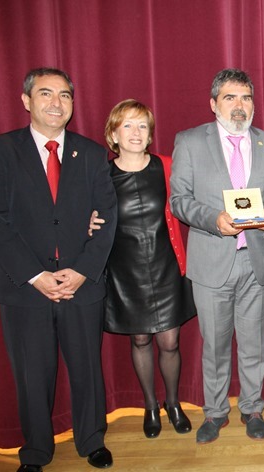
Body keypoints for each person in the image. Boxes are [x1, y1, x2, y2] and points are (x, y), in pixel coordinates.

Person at [0, 68, 117, 472]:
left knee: (86, 367)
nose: (56, 103)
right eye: (45, 94)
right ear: (26, 100)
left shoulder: (91, 153)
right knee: (33, 373)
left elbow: (108, 217)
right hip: (24, 287)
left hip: (81, 284)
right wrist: (35, 274)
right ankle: (35, 451)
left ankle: (92, 440)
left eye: (64, 95)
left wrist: (82, 270)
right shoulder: (3, 151)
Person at [170, 69, 264, 444]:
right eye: (231, 98)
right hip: (211, 261)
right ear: (213, 103)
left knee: (255, 344)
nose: (240, 107)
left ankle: (252, 408)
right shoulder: (189, 142)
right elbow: (179, 200)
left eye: (246, 98)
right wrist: (212, 220)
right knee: (215, 346)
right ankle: (216, 412)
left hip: (256, 260)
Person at [94, 99, 196, 439]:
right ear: (113, 134)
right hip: (125, 271)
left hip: (166, 265)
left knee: (170, 341)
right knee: (139, 338)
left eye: (142, 126)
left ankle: (173, 402)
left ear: (150, 132)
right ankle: (150, 405)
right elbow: (84, 213)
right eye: (127, 125)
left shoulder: (166, 166)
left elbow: (186, 204)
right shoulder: (101, 174)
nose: (136, 133)